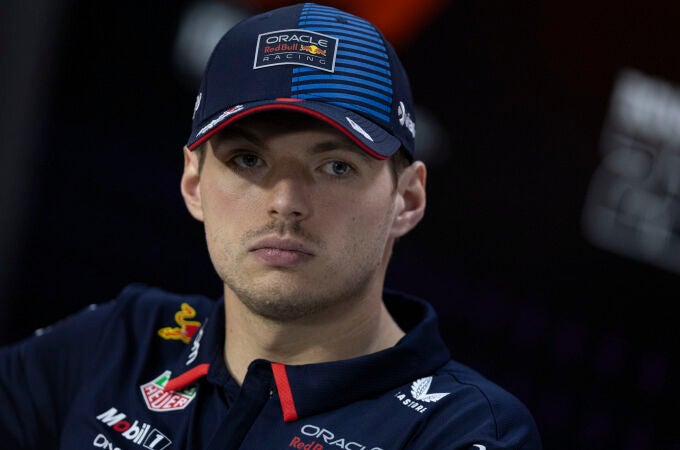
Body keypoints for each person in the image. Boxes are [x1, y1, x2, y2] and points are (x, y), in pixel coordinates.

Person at [0, 2, 542, 449]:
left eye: (335, 166)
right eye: (248, 161)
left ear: (408, 198)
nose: (285, 202)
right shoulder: (126, 339)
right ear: (193, 182)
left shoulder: (461, 431)